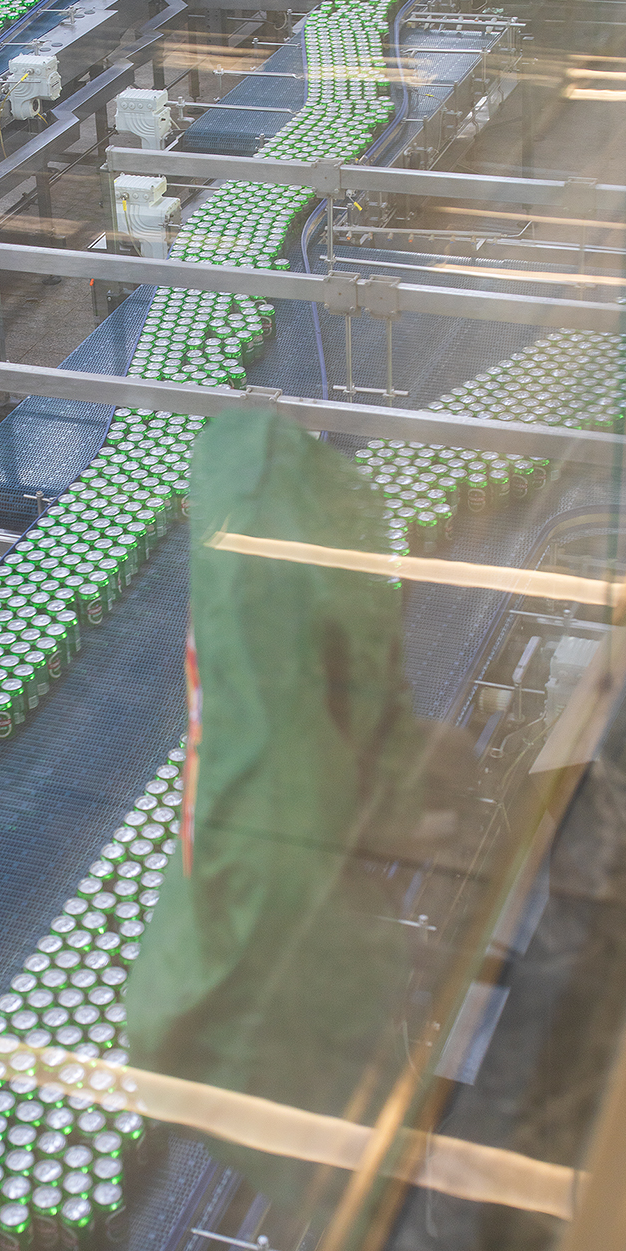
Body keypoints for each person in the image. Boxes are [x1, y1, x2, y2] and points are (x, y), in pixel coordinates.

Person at [126, 405, 478, 1207]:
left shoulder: (246, 595)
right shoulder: (273, 600)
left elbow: (332, 726)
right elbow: (290, 858)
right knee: (360, 1227)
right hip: (245, 1039)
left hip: (209, 994)